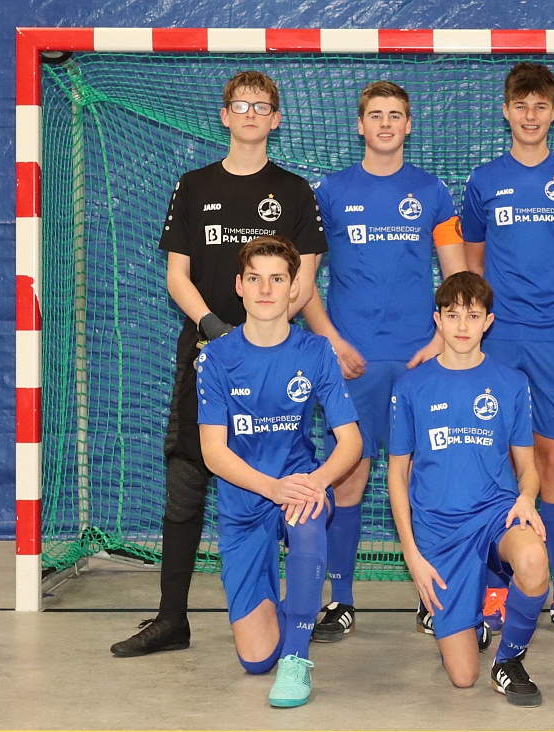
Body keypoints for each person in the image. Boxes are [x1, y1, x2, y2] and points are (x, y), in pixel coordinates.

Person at [111, 71, 327, 657]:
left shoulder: (294, 191)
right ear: (225, 115)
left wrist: (261, 340)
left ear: (276, 118)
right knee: (187, 474)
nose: (251, 113)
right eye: (240, 104)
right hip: (207, 353)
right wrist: (216, 331)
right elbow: (176, 275)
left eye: (262, 106)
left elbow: (304, 281)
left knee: (279, 476)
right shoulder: (194, 185)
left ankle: (290, 611)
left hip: (276, 361)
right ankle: (171, 620)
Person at [303, 81, 467, 642]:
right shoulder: (331, 191)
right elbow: (304, 280)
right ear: (360, 125)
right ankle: (341, 600)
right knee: (349, 478)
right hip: (353, 362)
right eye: (376, 115)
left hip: (420, 361)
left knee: (427, 479)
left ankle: (432, 597)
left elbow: (458, 278)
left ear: (409, 124)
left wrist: (442, 341)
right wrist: (330, 340)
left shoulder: (432, 191)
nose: (386, 124)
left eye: (396, 115)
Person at [461, 62, 554, 638]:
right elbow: (473, 259)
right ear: (506, 111)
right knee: (498, 461)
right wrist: (492, 321)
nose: (531, 115)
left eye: (541, 106)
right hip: (501, 337)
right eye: (521, 106)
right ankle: (498, 587)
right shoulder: (484, 181)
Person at [197, 236, 362, 707]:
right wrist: (272, 488)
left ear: (294, 288)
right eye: (255, 279)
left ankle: (296, 660)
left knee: (308, 519)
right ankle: (290, 605)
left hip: (299, 485)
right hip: (246, 500)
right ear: (239, 286)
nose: (265, 289)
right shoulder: (216, 357)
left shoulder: (316, 351)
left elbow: (351, 441)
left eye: (276, 279)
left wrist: (316, 483)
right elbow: (213, 453)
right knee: (255, 659)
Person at [388, 272, 551, 707]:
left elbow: (528, 468)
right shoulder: (411, 387)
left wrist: (526, 498)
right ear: (437, 320)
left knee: (534, 559)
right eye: (453, 315)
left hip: (496, 514)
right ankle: (470, 618)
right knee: (462, 677)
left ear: (488, 322)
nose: (462, 325)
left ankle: (509, 660)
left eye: (473, 316)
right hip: (439, 531)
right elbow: (397, 475)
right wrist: (412, 554)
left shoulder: (511, 382)